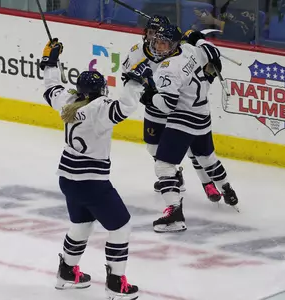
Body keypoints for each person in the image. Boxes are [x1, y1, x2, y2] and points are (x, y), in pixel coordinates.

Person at [39, 38, 141, 298]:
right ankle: (116, 283)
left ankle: (66, 271)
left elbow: (51, 86)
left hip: (68, 178)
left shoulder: (68, 101)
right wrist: (134, 82)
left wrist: (50, 61)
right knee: (120, 227)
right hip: (92, 181)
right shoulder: (99, 108)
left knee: (82, 224)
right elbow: (126, 106)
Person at [128, 24, 239, 233]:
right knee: (207, 157)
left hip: (184, 118)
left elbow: (168, 104)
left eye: (164, 43)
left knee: (163, 166)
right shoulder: (191, 50)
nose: (159, 47)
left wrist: (148, 96)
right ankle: (226, 188)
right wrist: (197, 38)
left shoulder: (168, 67)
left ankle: (175, 215)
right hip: (202, 113)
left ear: (174, 45)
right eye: (157, 42)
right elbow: (214, 55)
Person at [121, 15, 222, 203]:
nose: (154, 38)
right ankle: (174, 176)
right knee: (152, 147)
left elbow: (202, 70)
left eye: (157, 34)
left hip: (179, 109)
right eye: (150, 33)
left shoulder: (179, 51)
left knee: (193, 150)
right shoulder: (137, 53)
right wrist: (138, 83)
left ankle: (208, 184)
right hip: (155, 107)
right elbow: (126, 77)